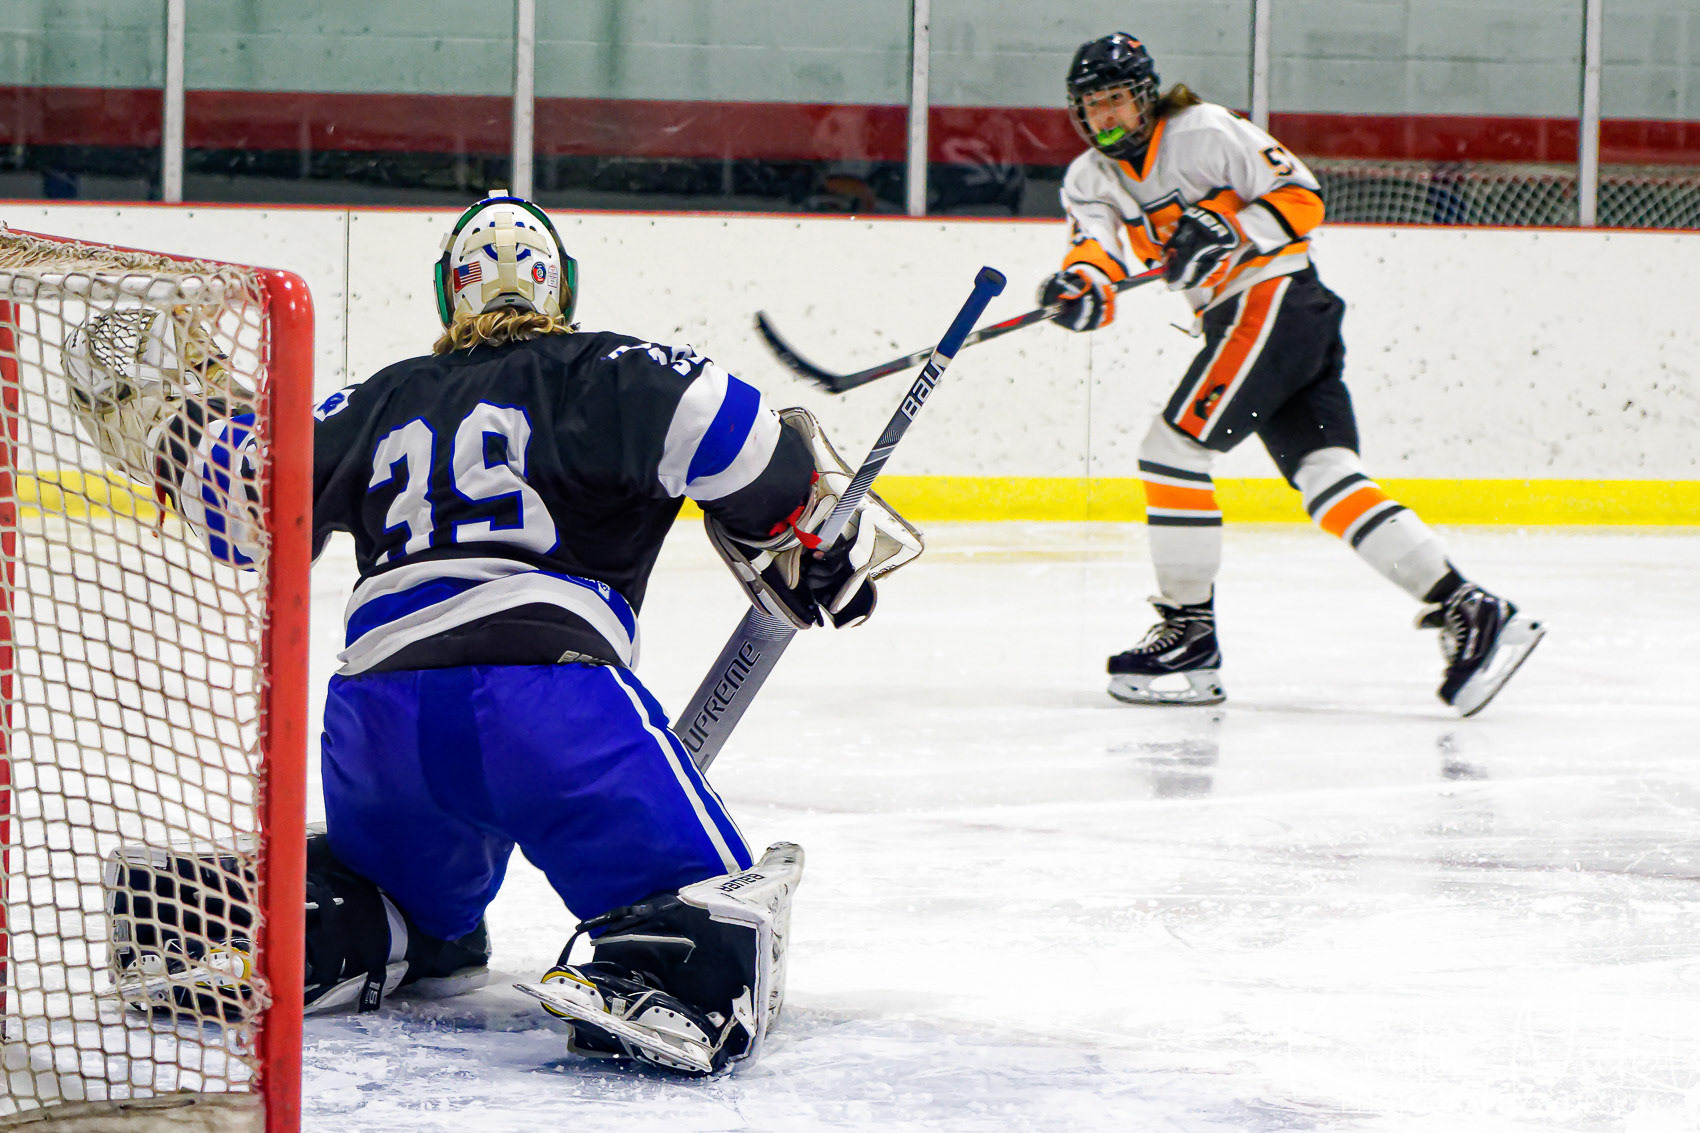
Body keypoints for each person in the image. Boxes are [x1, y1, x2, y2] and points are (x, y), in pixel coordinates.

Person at [62, 191, 920, 1076]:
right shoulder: (613, 370)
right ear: (562, 287)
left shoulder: (375, 398)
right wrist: (812, 535)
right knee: (701, 901)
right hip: (549, 711)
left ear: (450, 293)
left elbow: (240, 500)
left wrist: (181, 424)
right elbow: (752, 449)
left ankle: (303, 921)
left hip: (379, 731)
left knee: (413, 904)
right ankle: (662, 963)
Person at [1037, 33, 1544, 716]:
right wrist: (1080, 288)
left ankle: (1190, 632)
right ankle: (1470, 606)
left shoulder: (1204, 131)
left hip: (1272, 299)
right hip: (1257, 321)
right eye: (1093, 106)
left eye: (1117, 101)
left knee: (1171, 452)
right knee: (1327, 479)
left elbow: (1302, 195)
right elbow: (1094, 254)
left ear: (1146, 96)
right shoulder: (1088, 178)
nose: (1106, 117)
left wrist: (1232, 230)